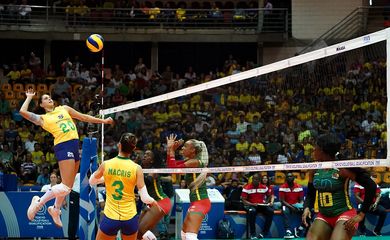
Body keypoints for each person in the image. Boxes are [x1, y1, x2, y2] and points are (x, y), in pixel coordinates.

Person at [20, 89, 114, 227]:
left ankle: (55, 209)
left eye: (49, 97)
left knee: (67, 188)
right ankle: (38, 202)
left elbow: (83, 117)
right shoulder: (43, 119)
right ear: (41, 105)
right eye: (45, 98)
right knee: (64, 187)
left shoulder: (64, 108)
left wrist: (103, 121)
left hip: (74, 146)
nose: (49, 99)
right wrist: (28, 97)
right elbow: (23, 112)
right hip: (63, 146)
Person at [302, 133, 377, 240]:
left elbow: (371, 186)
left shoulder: (342, 168)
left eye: (316, 147)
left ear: (322, 150)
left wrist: (361, 214)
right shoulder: (314, 169)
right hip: (324, 216)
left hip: (344, 214)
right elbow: (310, 193)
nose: (314, 150)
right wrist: (307, 207)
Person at [89, 133, 157, 240]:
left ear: (119, 145)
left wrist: (106, 178)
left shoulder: (106, 164)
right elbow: (145, 197)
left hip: (111, 217)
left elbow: (92, 181)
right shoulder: (137, 168)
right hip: (129, 218)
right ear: (133, 148)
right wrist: (153, 202)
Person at [166, 134, 210, 240]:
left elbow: (174, 170)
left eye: (185, 146)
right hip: (196, 201)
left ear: (193, 150)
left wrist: (172, 150)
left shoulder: (194, 162)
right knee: (184, 234)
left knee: (190, 236)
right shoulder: (189, 161)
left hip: (200, 201)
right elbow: (170, 166)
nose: (182, 148)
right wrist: (170, 150)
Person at [138, 150, 172, 240]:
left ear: (152, 161)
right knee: (138, 231)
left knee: (143, 228)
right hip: (151, 204)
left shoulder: (153, 170)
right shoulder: (141, 169)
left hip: (161, 202)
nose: (144, 156)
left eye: (148, 155)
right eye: (144, 154)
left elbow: (147, 181)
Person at [241, 173, 274, 239]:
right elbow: (243, 200)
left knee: (270, 211)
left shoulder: (264, 187)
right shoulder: (247, 188)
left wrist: (266, 202)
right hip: (251, 205)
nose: (254, 180)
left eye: (256, 179)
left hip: (261, 205)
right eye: (253, 179)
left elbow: (269, 196)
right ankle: (253, 234)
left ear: (259, 180)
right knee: (252, 211)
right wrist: (252, 204)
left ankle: (264, 232)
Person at [279, 172, 306, 239]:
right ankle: (288, 231)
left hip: (296, 204)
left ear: (293, 178)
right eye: (288, 177)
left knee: (306, 210)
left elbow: (301, 199)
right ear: (286, 178)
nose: (289, 178)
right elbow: (282, 201)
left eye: (291, 176)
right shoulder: (282, 187)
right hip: (286, 205)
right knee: (285, 210)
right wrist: (291, 207)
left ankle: (299, 229)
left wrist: (301, 205)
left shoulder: (299, 187)